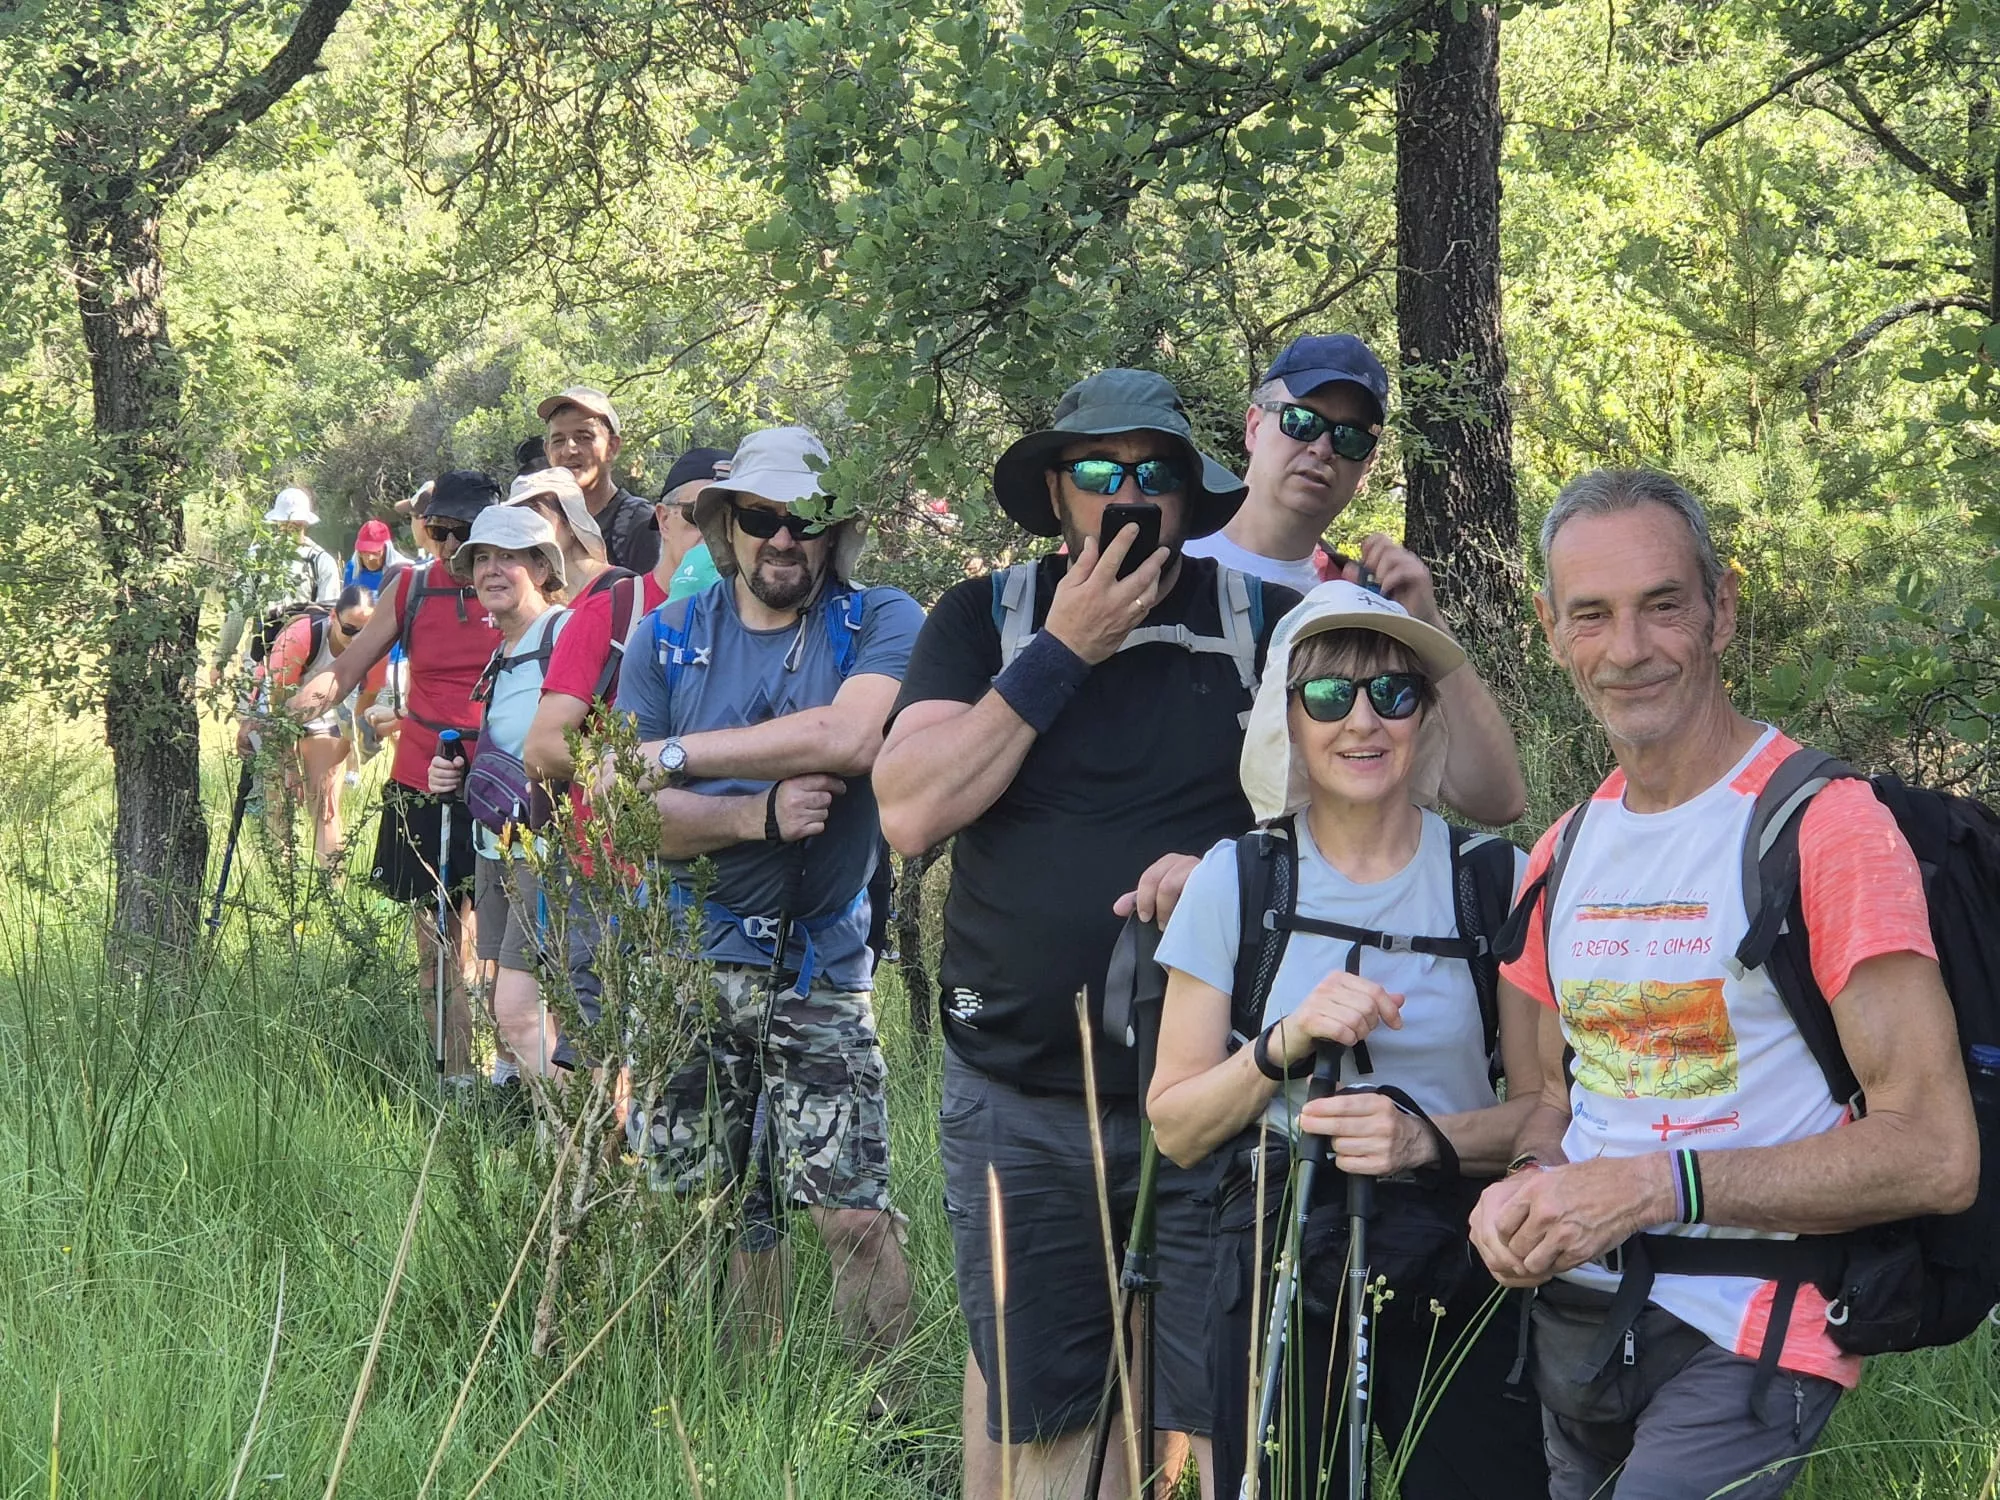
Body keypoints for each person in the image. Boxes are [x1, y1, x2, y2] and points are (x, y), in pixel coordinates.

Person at [1468, 469, 1979, 1500]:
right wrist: (1524, 1184)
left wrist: (1656, 1186)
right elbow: (1550, 1102)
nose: (1627, 649)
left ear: (1721, 608)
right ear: (1549, 630)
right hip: (1580, 1331)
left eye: (1662, 605)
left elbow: (1935, 1153)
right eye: (1591, 615)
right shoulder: (1562, 853)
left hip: (1752, 1331)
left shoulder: (1824, 829)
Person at [874, 368, 1309, 1499]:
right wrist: (1063, 650)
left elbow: (1363, 822)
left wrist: (1228, 871)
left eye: (1154, 471)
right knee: (1046, 1418)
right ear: (1056, 494)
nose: (1127, 493)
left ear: (1189, 494)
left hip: (1213, 1100)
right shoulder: (985, 618)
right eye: (1098, 470)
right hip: (1019, 1092)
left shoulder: (1258, 623)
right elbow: (910, 809)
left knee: (1208, 1430)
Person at [1146, 580, 1548, 1499]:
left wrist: (1425, 1140)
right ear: (1286, 719)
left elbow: (1542, 1117)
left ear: (1426, 714)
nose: (1362, 721)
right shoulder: (1236, 880)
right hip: (1282, 1246)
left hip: (1461, 1252)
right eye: (1328, 695)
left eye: (1393, 693)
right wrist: (1278, 1046)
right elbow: (1175, 1126)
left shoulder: (1497, 880)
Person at [613, 424, 921, 1371]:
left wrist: (673, 756)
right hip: (684, 959)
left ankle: (886, 1425)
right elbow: (625, 816)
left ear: (837, 531)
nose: (784, 538)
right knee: (696, 1210)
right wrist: (757, 814)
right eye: (760, 518)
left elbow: (849, 737)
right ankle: (725, 1402)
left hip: (818, 964)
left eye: (808, 519)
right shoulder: (666, 637)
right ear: (725, 526)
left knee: (853, 1216)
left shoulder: (878, 620)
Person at [1185, 333, 1525, 828]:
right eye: (1302, 421)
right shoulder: (1164, 562)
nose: (1323, 448)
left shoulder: (1356, 603)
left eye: (1350, 438)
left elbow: (1496, 800)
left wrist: (1426, 622)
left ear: (1366, 468)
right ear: (1254, 426)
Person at [290, 471, 504, 1089]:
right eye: (439, 529)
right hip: (422, 785)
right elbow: (348, 670)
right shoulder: (411, 586)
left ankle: (512, 1073)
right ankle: (456, 1079)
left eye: (465, 531)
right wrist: (282, 713)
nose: (450, 544)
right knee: (436, 944)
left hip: (504, 785)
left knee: (503, 946)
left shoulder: (519, 584)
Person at [425, 507, 570, 1079]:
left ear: (542, 568)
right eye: (482, 557)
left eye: (508, 556)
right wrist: (457, 775)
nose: (491, 569)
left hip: (546, 850)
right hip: (498, 846)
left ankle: (585, 1130)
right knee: (514, 1009)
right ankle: (554, 1127)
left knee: (518, 1013)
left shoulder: (563, 633)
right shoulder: (505, 648)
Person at [236, 584, 387, 866]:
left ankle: (332, 887)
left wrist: (342, 760)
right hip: (273, 713)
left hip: (327, 715)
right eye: (349, 630)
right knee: (279, 800)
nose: (357, 639)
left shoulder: (377, 649)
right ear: (333, 617)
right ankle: (283, 876)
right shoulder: (300, 637)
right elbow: (278, 710)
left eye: (364, 632)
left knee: (325, 806)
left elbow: (358, 717)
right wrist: (289, 766)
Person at [211, 485, 342, 687]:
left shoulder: (321, 562)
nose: (290, 527)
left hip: (306, 663)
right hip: (262, 658)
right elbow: (236, 613)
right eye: (287, 523)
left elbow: (329, 621)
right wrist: (220, 660)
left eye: (294, 523)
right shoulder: (256, 558)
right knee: (257, 705)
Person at [538, 386, 660, 573]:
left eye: (584, 437)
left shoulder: (639, 525)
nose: (569, 450)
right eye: (558, 440)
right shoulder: (540, 524)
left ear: (612, 447)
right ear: (547, 451)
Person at [505, 466, 615, 599]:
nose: (523, 525)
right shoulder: (524, 594)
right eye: (517, 515)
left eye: (534, 511)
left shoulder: (615, 589)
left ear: (570, 522)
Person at [344, 518, 408, 592]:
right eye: (364, 552)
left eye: (375, 552)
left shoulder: (401, 572)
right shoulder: (351, 569)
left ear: (387, 549)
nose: (370, 558)